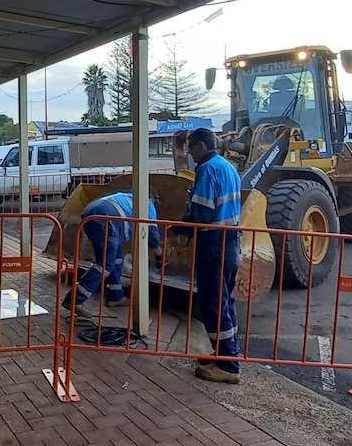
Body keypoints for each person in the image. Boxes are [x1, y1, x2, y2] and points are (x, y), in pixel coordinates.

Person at [174, 127, 242, 383]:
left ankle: (229, 366)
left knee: (213, 303)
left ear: (202, 146)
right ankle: (226, 353)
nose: (190, 154)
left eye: (191, 148)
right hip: (231, 240)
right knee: (226, 300)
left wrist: (180, 226)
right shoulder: (228, 167)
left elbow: (201, 211)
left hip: (213, 241)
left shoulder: (207, 169)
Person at [62, 189, 163, 318]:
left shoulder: (126, 197)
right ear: (151, 198)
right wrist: (159, 258)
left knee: (116, 259)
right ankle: (74, 300)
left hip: (94, 214)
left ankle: (115, 296)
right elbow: (153, 236)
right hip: (105, 219)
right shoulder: (147, 204)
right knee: (105, 264)